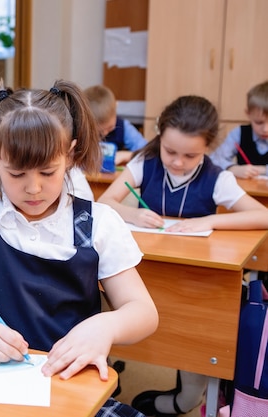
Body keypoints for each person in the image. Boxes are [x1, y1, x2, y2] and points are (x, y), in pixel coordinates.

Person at [0, 79, 159, 417]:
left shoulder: (98, 223)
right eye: (17, 174)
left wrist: (106, 326)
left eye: (48, 171)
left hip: (70, 389)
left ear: (70, 155)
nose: (34, 188)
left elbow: (144, 312)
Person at [98, 95, 268, 416]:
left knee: (194, 336)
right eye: (170, 151)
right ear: (160, 137)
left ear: (207, 147)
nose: (177, 162)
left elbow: (262, 216)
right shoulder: (144, 162)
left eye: (190, 155)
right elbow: (106, 201)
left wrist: (209, 220)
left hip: (194, 282)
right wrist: (131, 214)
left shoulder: (218, 178)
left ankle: (186, 399)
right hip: (143, 272)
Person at [209, 80, 268, 179]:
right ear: (248, 113)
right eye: (259, 122)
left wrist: (262, 170)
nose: (266, 129)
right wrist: (232, 168)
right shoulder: (239, 133)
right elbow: (214, 159)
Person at [0, 159, 95, 200]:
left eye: (47, 173)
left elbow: (85, 202)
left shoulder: (70, 172)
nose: (34, 189)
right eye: (17, 174)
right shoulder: (2, 160)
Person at [85, 84, 147, 166]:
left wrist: (127, 155)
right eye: (99, 132)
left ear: (116, 109)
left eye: (110, 128)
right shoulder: (81, 130)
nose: (104, 134)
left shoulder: (124, 127)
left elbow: (148, 151)